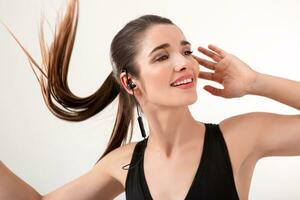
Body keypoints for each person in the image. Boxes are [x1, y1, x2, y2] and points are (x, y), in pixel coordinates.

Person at [1, 0, 300, 199]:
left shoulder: (238, 138)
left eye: (186, 51)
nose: (183, 63)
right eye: (162, 56)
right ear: (130, 82)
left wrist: (255, 82)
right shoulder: (123, 163)